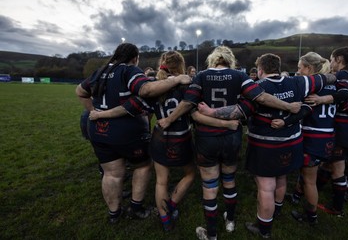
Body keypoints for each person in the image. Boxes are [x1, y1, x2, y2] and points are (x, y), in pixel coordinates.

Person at [158, 46, 302, 240]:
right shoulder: (238, 76)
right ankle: (230, 222)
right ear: (230, 59)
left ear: (213, 59)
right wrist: (288, 106)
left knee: (209, 186)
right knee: (229, 180)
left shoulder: (202, 75)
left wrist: (168, 119)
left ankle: (212, 234)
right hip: (231, 136)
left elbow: (188, 103)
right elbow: (261, 97)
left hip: (207, 138)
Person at [88, 51, 240, 231]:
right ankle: (172, 206)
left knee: (161, 181)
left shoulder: (154, 86)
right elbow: (195, 114)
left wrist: (101, 114)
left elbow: (130, 107)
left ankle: (165, 220)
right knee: (190, 174)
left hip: (159, 138)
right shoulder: (187, 85)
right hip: (181, 138)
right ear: (181, 65)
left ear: (162, 64)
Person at [197, 53, 336, 238]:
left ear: (260, 69)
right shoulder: (298, 82)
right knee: (281, 178)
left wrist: (211, 111)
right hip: (292, 143)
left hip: (266, 146)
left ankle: (263, 228)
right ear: (278, 68)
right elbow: (328, 78)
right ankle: (276, 212)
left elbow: (237, 112)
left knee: (266, 187)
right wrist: (334, 79)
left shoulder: (257, 88)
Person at [75, 43, 191, 224]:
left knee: (111, 173)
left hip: (99, 130)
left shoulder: (100, 71)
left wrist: (94, 111)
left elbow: (80, 91)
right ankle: (136, 208)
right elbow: (145, 90)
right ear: (135, 57)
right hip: (126, 130)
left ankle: (114, 214)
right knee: (143, 166)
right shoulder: (129, 70)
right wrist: (175, 80)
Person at [314, 45, 348, 216]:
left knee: (337, 166)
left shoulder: (343, 75)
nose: (330, 62)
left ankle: (337, 207)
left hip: (343, 126)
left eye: (331, 59)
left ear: (339, 60)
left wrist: (322, 99)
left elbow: (344, 94)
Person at [288, 52, 337, 226]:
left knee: (309, 180)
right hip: (328, 135)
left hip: (313, 136)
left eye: (300, 67)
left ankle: (311, 217)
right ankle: (296, 197)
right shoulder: (333, 84)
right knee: (309, 175)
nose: (298, 71)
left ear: (309, 68)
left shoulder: (311, 86)